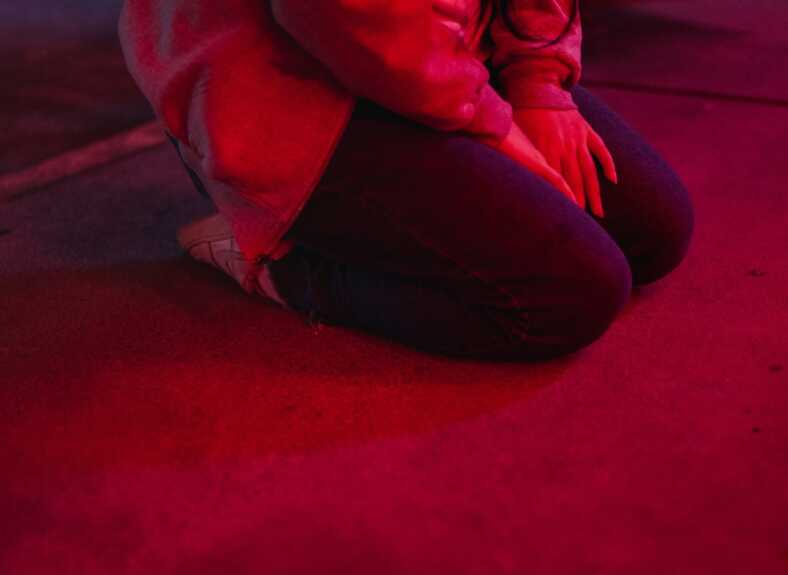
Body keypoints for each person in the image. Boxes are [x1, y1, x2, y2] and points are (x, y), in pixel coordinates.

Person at [119, 0, 694, 361]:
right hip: (277, 87)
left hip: (442, 50)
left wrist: (539, 84)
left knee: (654, 229)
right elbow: (348, 18)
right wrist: (489, 124)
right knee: (573, 294)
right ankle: (282, 267)